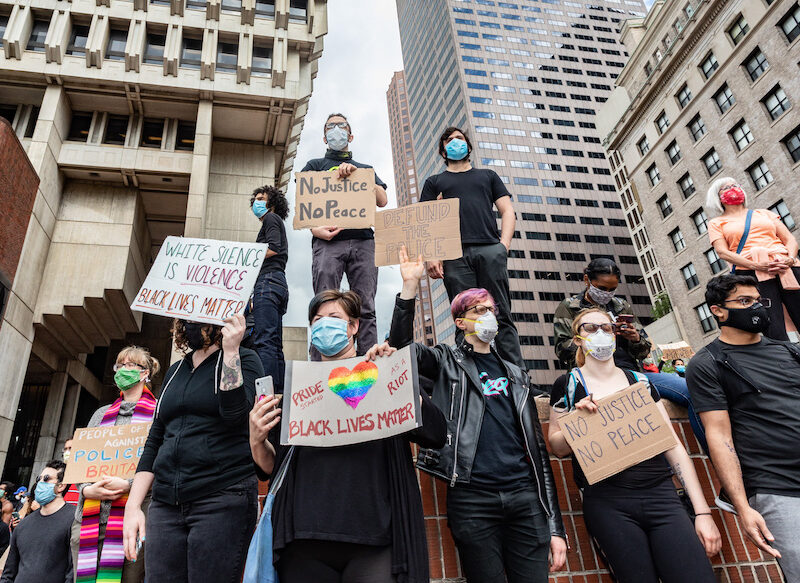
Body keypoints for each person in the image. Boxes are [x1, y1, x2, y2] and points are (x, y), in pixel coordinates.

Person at [386, 248, 566, 582]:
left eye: (490, 310)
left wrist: (556, 527)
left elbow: (538, 452)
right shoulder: (444, 360)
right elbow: (398, 354)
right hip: (473, 499)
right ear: (459, 321)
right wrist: (408, 288)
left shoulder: (516, 373)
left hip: (525, 499)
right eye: (477, 310)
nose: (487, 316)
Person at [248, 288, 447, 583]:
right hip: (303, 541)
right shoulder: (299, 390)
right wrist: (256, 439)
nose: (323, 325)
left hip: (374, 539)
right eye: (316, 320)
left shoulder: (379, 374)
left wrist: (397, 379)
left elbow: (436, 433)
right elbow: (271, 469)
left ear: (353, 326)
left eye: (333, 317)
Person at [548, 308, 721, 582]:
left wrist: (702, 512)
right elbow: (556, 446)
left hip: (662, 497)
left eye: (606, 328)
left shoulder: (639, 381)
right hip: (608, 503)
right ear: (578, 339)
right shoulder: (567, 384)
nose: (600, 334)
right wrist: (577, 419)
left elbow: (673, 446)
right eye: (591, 329)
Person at [122, 315, 263, 583]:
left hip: (221, 497)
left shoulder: (246, 359)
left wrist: (231, 351)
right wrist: (134, 505)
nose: (191, 321)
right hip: (165, 504)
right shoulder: (176, 370)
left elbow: (237, 417)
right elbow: (156, 437)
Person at [686, 274, 800, 581]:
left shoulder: (790, 352)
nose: (757, 309)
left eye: (759, 301)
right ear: (718, 310)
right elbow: (719, 436)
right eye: (745, 302)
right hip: (778, 486)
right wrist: (743, 506)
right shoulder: (707, 363)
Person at [553, 258, 708, 453]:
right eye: (602, 288)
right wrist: (594, 338)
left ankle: (713, 456)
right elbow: (561, 349)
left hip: (633, 375)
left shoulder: (620, 306)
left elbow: (644, 350)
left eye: (612, 289)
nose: (607, 294)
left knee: (693, 391)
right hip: (594, 378)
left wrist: (634, 338)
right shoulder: (570, 307)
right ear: (587, 280)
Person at [421, 126, 523, 368]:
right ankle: (472, 375)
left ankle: (518, 377)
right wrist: (432, 255)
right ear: (443, 149)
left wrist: (503, 246)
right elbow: (424, 221)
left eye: (459, 138)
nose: (455, 142)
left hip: (490, 249)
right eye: (449, 139)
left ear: (468, 145)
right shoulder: (435, 182)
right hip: (454, 256)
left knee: (501, 314)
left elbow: (507, 210)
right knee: (464, 316)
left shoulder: (488, 176)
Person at [300, 112, 388, 358]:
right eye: (331, 126)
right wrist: (315, 230)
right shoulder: (314, 166)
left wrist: (361, 178)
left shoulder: (365, 168)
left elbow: (382, 200)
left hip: (364, 241)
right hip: (328, 243)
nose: (336, 129)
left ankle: (367, 359)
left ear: (350, 135)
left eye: (341, 126)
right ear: (324, 137)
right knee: (324, 303)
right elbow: (304, 204)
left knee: (366, 304)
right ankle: (319, 361)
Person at [70, 346, 160, 583]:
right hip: (90, 518)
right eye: (120, 365)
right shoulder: (100, 415)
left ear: (145, 373)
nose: (123, 370)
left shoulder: (157, 413)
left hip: (134, 520)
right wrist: (86, 489)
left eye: (131, 365)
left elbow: (161, 462)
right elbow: (81, 462)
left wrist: (130, 484)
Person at [706, 177, 800, 341]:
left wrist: (790, 259)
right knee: (772, 323)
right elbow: (723, 252)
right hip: (751, 274)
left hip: (786, 267)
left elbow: (790, 240)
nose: (732, 188)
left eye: (735, 185)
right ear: (717, 197)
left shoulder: (764, 214)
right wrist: (756, 265)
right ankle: (785, 362)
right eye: (726, 188)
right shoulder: (717, 223)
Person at [0, 460, 74, 583]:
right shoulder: (24, 524)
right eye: (38, 479)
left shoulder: (74, 520)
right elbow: (9, 573)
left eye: (46, 479)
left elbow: (73, 572)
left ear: (61, 485)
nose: (40, 483)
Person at [249, 185, 290, 393]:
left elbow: (273, 247)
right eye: (255, 199)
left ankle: (265, 394)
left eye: (261, 198)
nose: (257, 202)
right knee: (274, 344)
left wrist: (248, 257)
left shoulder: (271, 219)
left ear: (271, 202)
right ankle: (278, 391)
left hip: (267, 282)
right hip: (277, 283)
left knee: (264, 340)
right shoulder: (274, 222)